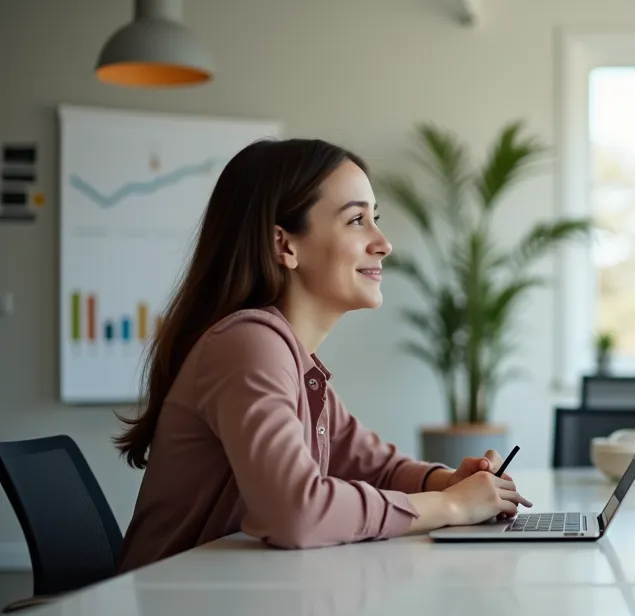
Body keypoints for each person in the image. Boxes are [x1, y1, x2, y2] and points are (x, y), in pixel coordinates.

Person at [114, 138, 531, 573]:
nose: (384, 243)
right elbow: (296, 512)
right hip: (169, 606)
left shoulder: (293, 360)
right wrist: (450, 506)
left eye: (375, 219)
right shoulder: (247, 344)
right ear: (284, 246)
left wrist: (446, 482)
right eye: (356, 220)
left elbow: (375, 466)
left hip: (226, 596)